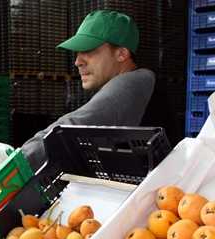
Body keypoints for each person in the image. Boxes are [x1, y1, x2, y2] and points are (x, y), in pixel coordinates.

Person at [22, 10, 156, 170]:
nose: (77, 62)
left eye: (88, 50)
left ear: (121, 54)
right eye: (77, 53)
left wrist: (19, 162)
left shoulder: (137, 80)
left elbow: (71, 127)